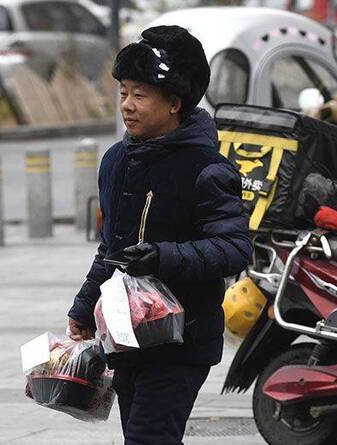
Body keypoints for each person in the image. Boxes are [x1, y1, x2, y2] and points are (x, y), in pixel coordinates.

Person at [66, 25, 252, 444]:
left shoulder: (208, 168)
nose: (127, 106)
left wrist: (163, 256)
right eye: (123, 93)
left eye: (140, 95)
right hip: (124, 336)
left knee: (149, 437)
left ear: (174, 103)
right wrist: (83, 307)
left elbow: (235, 248)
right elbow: (110, 250)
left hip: (181, 340)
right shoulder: (115, 161)